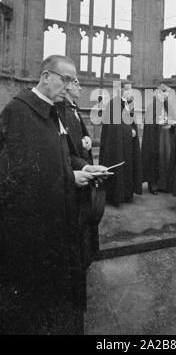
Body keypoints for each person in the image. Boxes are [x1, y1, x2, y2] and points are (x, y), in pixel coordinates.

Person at [0, 55, 109, 335]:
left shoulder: (51, 111)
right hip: (34, 227)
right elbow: (16, 177)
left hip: (60, 214)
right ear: (46, 76)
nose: (70, 86)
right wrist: (70, 178)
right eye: (65, 79)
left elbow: (62, 156)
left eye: (73, 81)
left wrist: (84, 166)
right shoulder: (19, 111)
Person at [56, 78, 106, 268]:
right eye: (76, 84)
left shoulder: (73, 107)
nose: (80, 87)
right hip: (75, 170)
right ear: (67, 87)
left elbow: (82, 133)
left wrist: (86, 139)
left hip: (83, 163)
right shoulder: (61, 110)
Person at [99, 82, 142, 206]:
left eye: (131, 90)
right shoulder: (114, 103)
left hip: (127, 141)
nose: (131, 92)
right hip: (117, 143)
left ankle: (127, 193)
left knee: (128, 165)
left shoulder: (128, 104)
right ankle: (116, 196)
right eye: (128, 90)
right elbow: (115, 125)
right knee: (118, 164)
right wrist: (130, 131)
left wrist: (132, 130)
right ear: (121, 90)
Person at [142, 83, 176, 194]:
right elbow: (148, 123)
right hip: (156, 138)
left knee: (166, 159)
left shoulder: (168, 106)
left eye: (167, 92)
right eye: (163, 92)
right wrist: (161, 123)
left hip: (167, 137)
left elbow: (173, 120)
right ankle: (154, 185)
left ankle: (165, 185)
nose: (165, 94)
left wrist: (172, 124)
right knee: (155, 159)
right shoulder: (152, 106)